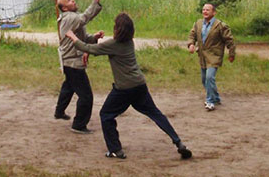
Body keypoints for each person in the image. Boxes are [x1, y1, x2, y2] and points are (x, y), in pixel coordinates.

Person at [67, 12, 192, 160]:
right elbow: (94, 49)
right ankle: (179, 143)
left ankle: (115, 150)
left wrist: (72, 36)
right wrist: (89, 51)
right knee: (155, 113)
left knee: (106, 115)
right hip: (139, 85)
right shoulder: (128, 42)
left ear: (117, 29)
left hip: (124, 89)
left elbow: (89, 48)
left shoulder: (113, 44)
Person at [55, 0, 105, 133]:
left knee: (69, 87)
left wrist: (93, 38)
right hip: (73, 63)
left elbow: (82, 39)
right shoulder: (69, 17)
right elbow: (85, 17)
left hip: (69, 62)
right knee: (86, 96)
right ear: (64, 8)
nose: (73, 0)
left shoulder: (71, 18)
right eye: (69, 0)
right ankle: (79, 125)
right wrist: (96, 0)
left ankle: (59, 112)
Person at [187, 3, 236, 111]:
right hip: (202, 56)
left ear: (214, 12)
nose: (205, 11)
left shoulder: (221, 25)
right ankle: (216, 97)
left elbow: (229, 40)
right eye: (203, 9)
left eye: (207, 10)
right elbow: (192, 35)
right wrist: (191, 44)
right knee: (204, 79)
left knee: (210, 78)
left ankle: (210, 101)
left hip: (214, 55)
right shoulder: (198, 23)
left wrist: (231, 54)